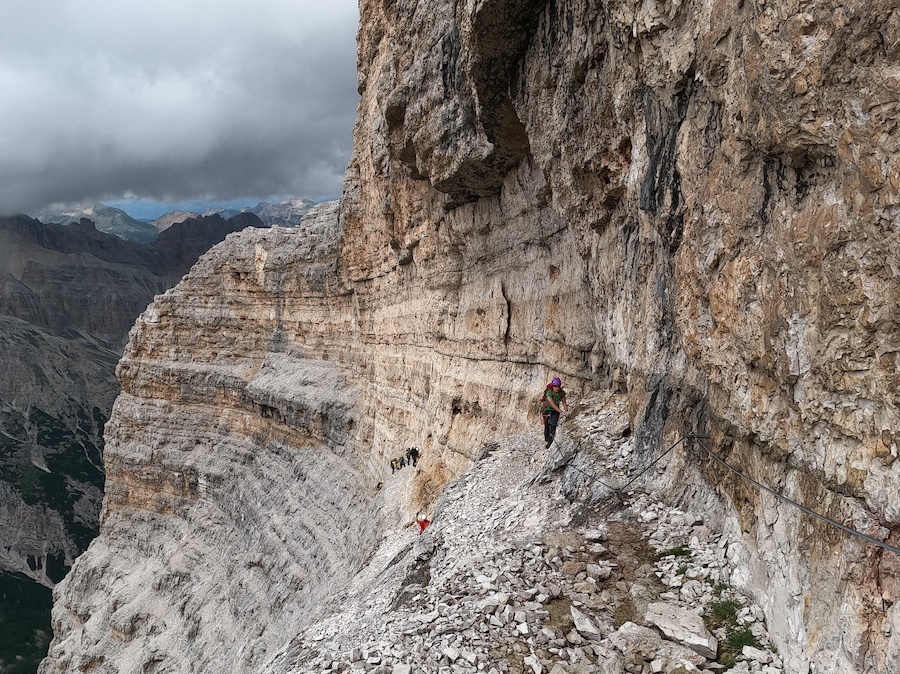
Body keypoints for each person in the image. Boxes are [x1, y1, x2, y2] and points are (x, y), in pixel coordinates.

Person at [542, 377, 568, 448]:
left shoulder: (561, 393)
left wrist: (566, 411)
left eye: (558, 386)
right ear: (553, 386)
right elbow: (552, 404)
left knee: (553, 425)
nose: (557, 388)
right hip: (546, 409)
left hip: (555, 411)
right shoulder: (549, 393)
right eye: (555, 386)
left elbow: (564, 402)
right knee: (547, 425)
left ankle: (550, 443)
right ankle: (546, 438)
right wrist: (561, 412)